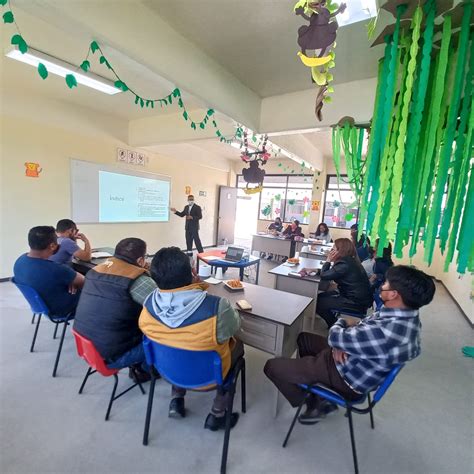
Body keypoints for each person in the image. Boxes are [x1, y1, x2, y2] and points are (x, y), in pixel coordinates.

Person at [264, 265, 436, 424]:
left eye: (386, 283)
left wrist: (342, 326)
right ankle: (314, 383)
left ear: (394, 294)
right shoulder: (404, 315)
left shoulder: (386, 332)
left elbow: (338, 333)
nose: (382, 285)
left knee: (272, 366)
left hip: (345, 377)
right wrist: (343, 343)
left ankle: (315, 402)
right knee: (304, 338)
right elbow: (358, 327)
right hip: (354, 359)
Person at [139, 246, 243, 431]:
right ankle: (217, 415)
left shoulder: (147, 305)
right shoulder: (217, 307)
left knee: (174, 346)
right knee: (238, 348)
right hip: (210, 377)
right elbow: (234, 327)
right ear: (193, 272)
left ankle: (176, 400)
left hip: (167, 370)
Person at [73, 238, 156, 382]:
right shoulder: (137, 280)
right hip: (113, 355)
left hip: (87, 345)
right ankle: (144, 370)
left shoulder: (95, 271)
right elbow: (164, 308)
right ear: (141, 260)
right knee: (163, 335)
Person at [300, 238, 373, 327]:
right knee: (319, 296)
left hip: (355, 301)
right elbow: (332, 272)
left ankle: (335, 326)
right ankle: (334, 322)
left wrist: (328, 260)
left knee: (318, 303)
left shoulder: (344, 263)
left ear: (341, 251)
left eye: (333, 249)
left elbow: (324, 276)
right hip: (357, 297)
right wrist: (314, 270)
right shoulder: (349, 260)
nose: (331, 251)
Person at [13, 226, 84, 315]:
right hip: (61, 310)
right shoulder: (56, 269)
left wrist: (69, 279)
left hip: (40, 305)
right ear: (52, 246)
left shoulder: (20, 261)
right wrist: (71, 280)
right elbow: (84, 282)